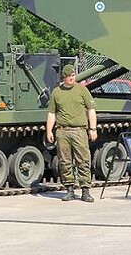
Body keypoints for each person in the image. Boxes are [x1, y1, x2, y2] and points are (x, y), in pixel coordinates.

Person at [46, 64, 98, 202]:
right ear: (63, 77)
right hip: (62, 131)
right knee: (65, 162)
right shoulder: (57, 92)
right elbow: (52, 113)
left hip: (79, 130)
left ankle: (85, 190)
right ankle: (69, 189)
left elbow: (91, 110)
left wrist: (93, 128)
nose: (71, 78)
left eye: (73, 75)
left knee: (83, 161)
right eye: (69, 76)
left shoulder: (82, 90)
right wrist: (49, 130)